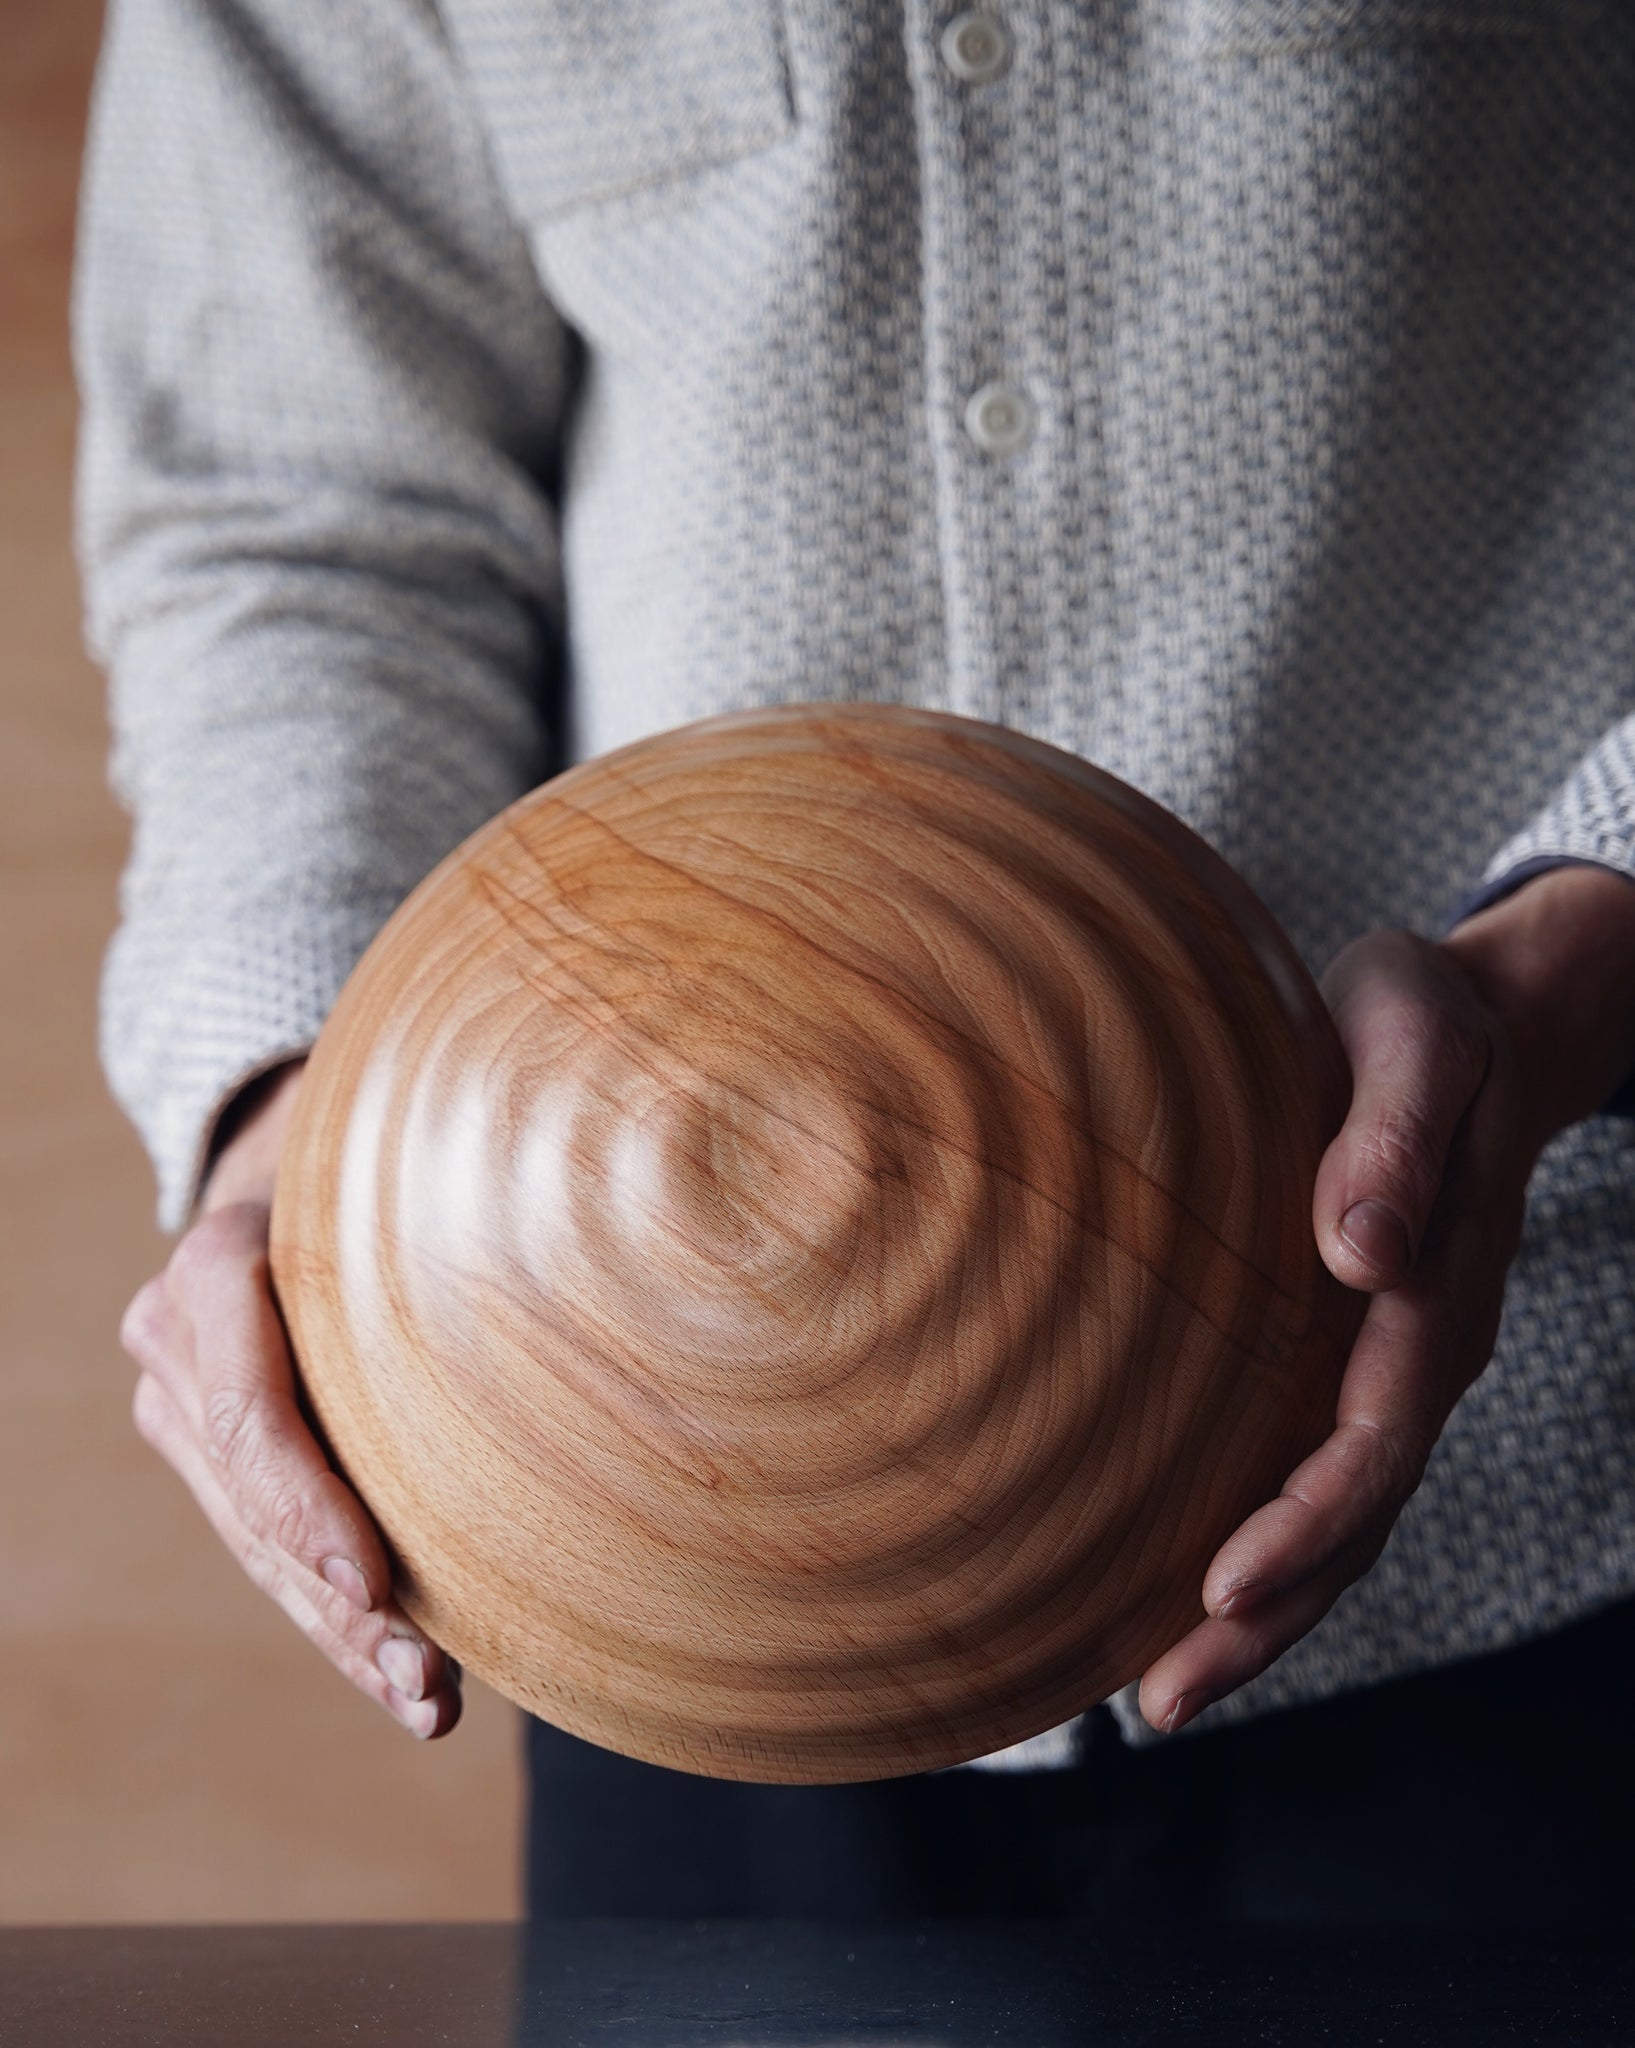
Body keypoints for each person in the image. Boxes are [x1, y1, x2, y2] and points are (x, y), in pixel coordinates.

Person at [76, 0, 1635, 1922]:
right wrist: (291, 1128)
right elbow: (302, 517)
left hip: (1529, 1471)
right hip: (626, 1515)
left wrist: (1581, 939)